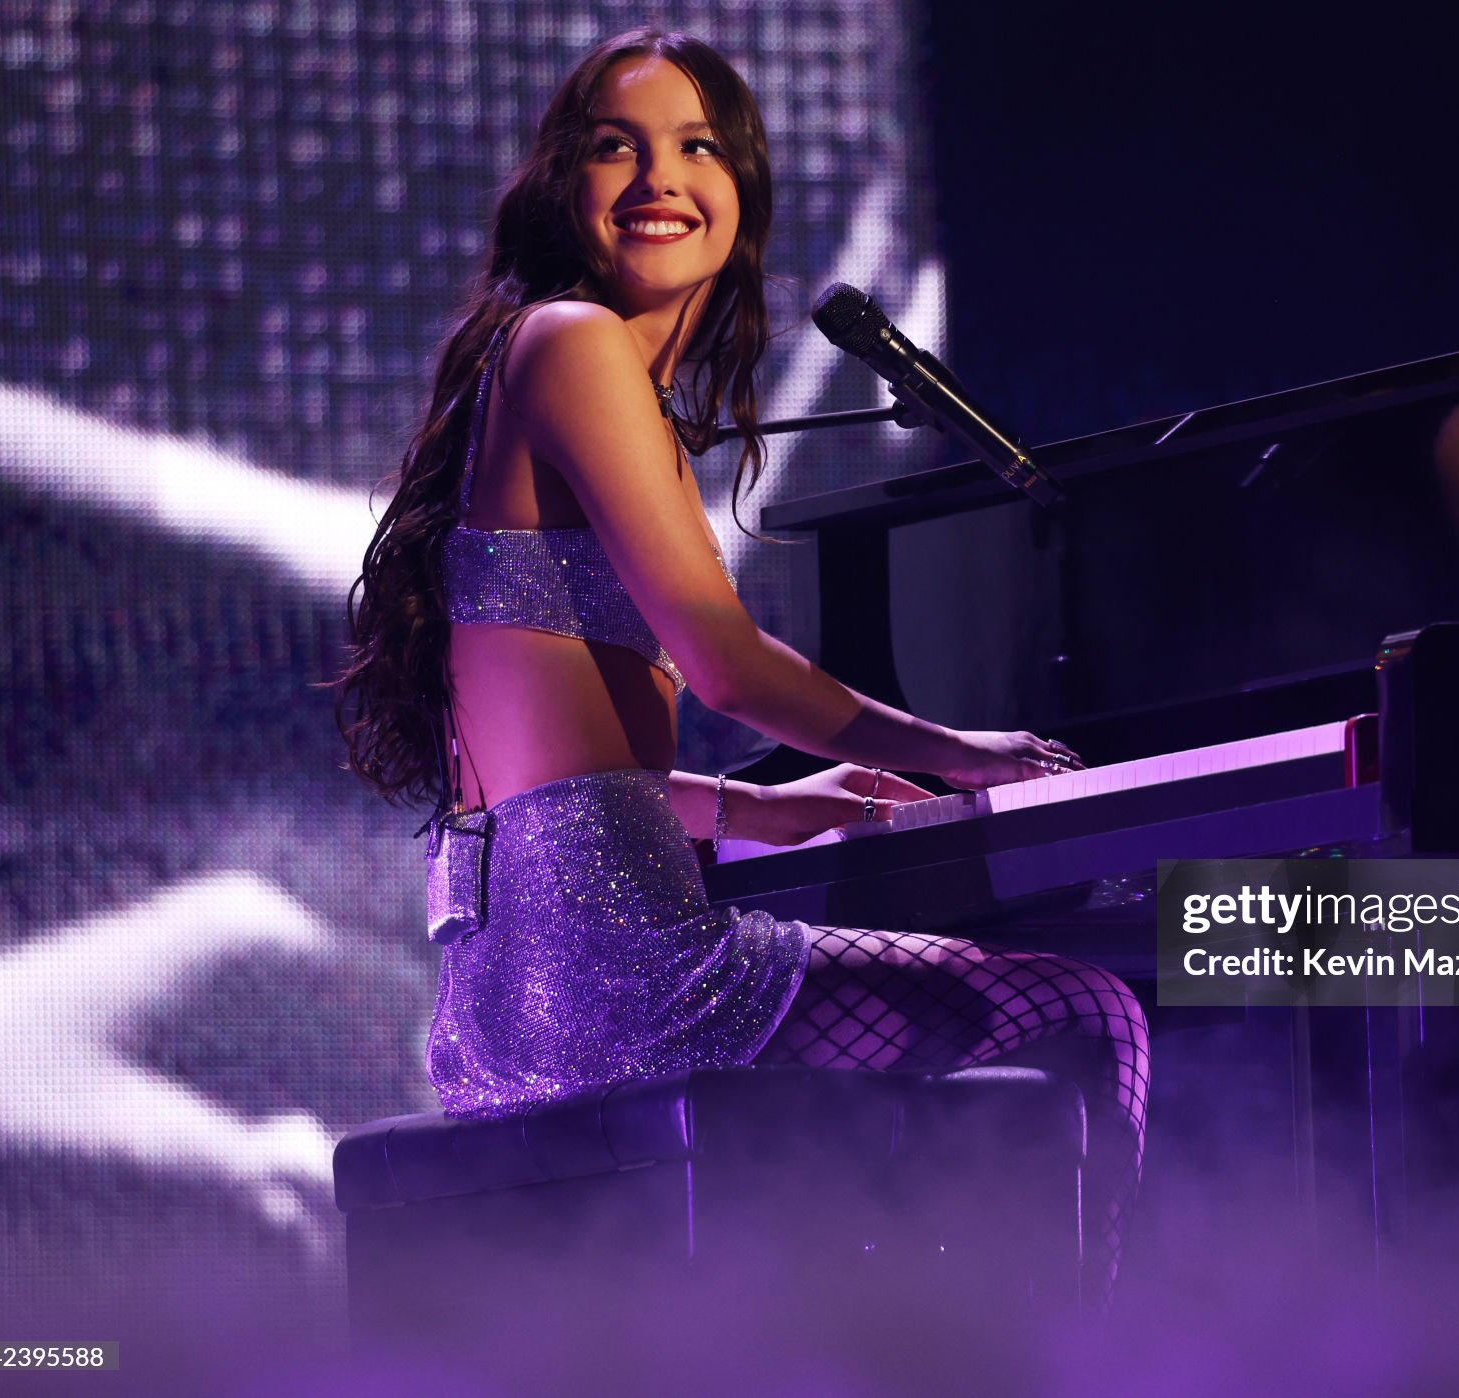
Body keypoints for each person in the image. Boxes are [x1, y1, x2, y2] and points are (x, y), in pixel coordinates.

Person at [334, 28, 1149, 1310]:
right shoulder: (573, 343)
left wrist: (759, 808)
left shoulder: (543, 366)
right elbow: (723, 666)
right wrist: (961, 753)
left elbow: (545, 772)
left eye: (697, 146)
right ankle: (1068, 1363)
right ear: (560, 185)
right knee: (1086, 1013)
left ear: (741, 189)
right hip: (620, 981)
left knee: (908, 1131)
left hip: (506, 999)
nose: (660, 176)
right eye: (617, 146)